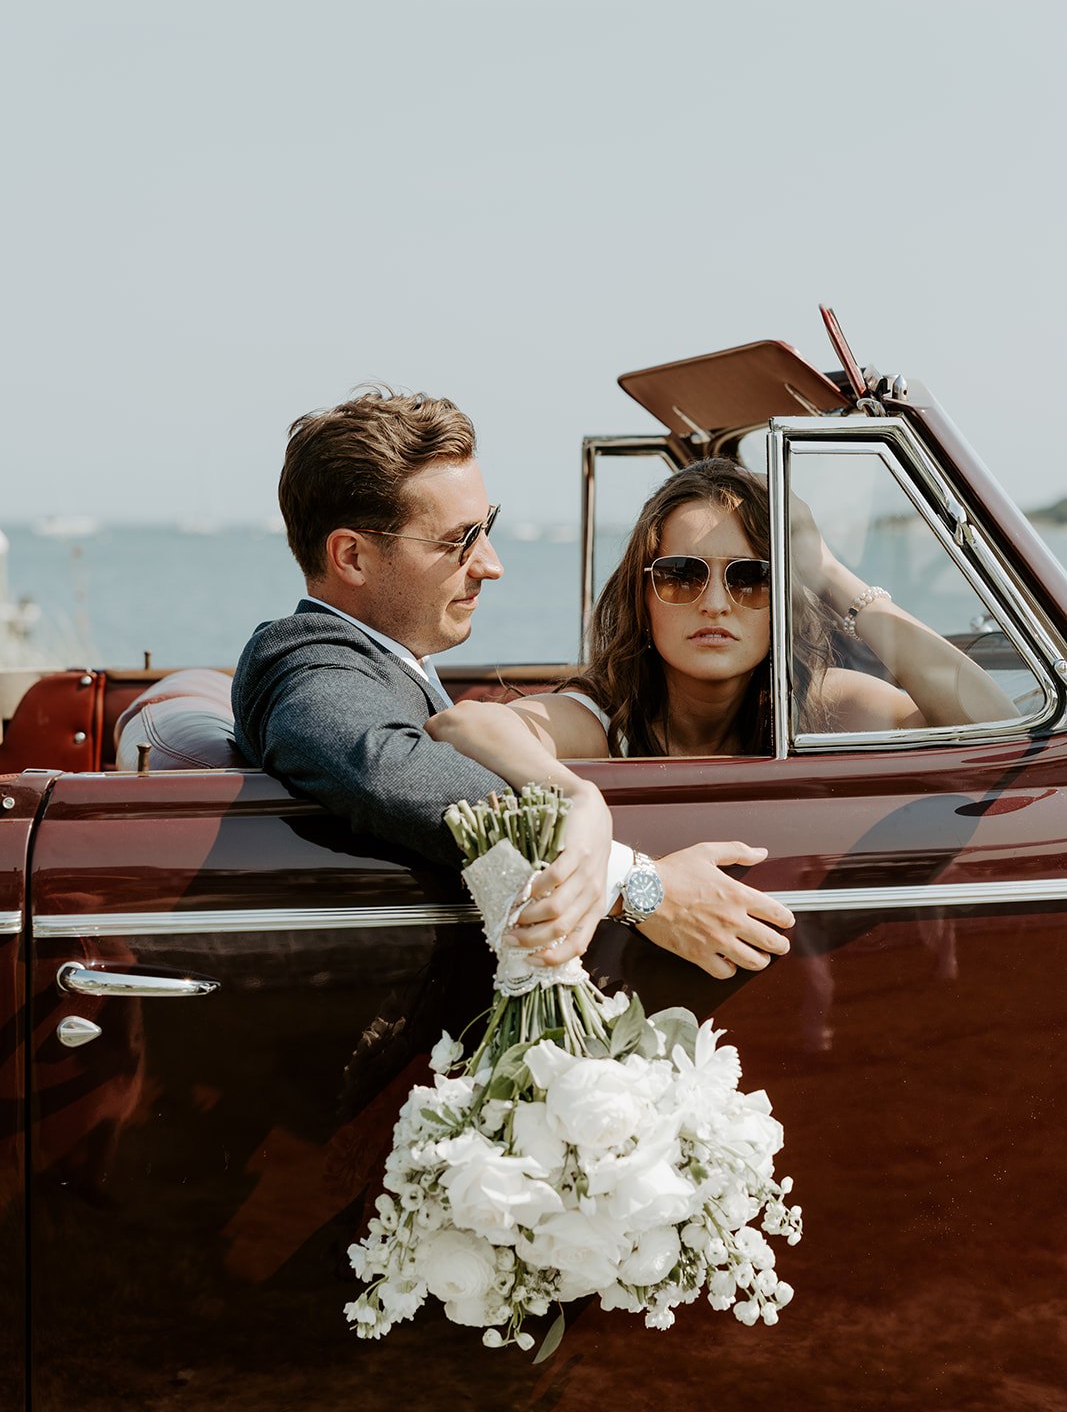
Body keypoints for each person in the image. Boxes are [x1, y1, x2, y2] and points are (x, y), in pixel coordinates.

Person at [232, 395, 795, 980]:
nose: (491, 564)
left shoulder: (386, 667)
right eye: (460, 540)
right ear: (352, 556)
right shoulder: (305, 663)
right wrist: (633, 881)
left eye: (488, 529)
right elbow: (389, 770)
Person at [428, 455, 1017, 763]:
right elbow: (464, 730)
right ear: (642, 595)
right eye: (681, 575)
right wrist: (580, 804)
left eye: (752, 579)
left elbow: (993, 722)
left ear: (782, 600)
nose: (714, 603)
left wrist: (827, 572)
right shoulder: (603, 720)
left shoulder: (822, 705)